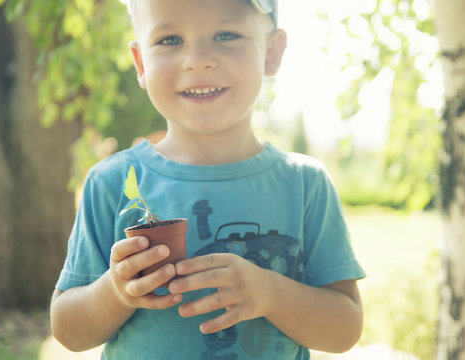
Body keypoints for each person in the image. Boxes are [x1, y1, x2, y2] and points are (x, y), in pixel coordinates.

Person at [50, 0, 366, 359]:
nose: (197, 59)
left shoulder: (305, 184)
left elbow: (345, 328)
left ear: (272, 52)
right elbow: (68, 331)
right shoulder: (111, 182)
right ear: (140, 63)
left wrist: (271, 294)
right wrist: (115, 292)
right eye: (170, 40)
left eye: (226, 34)